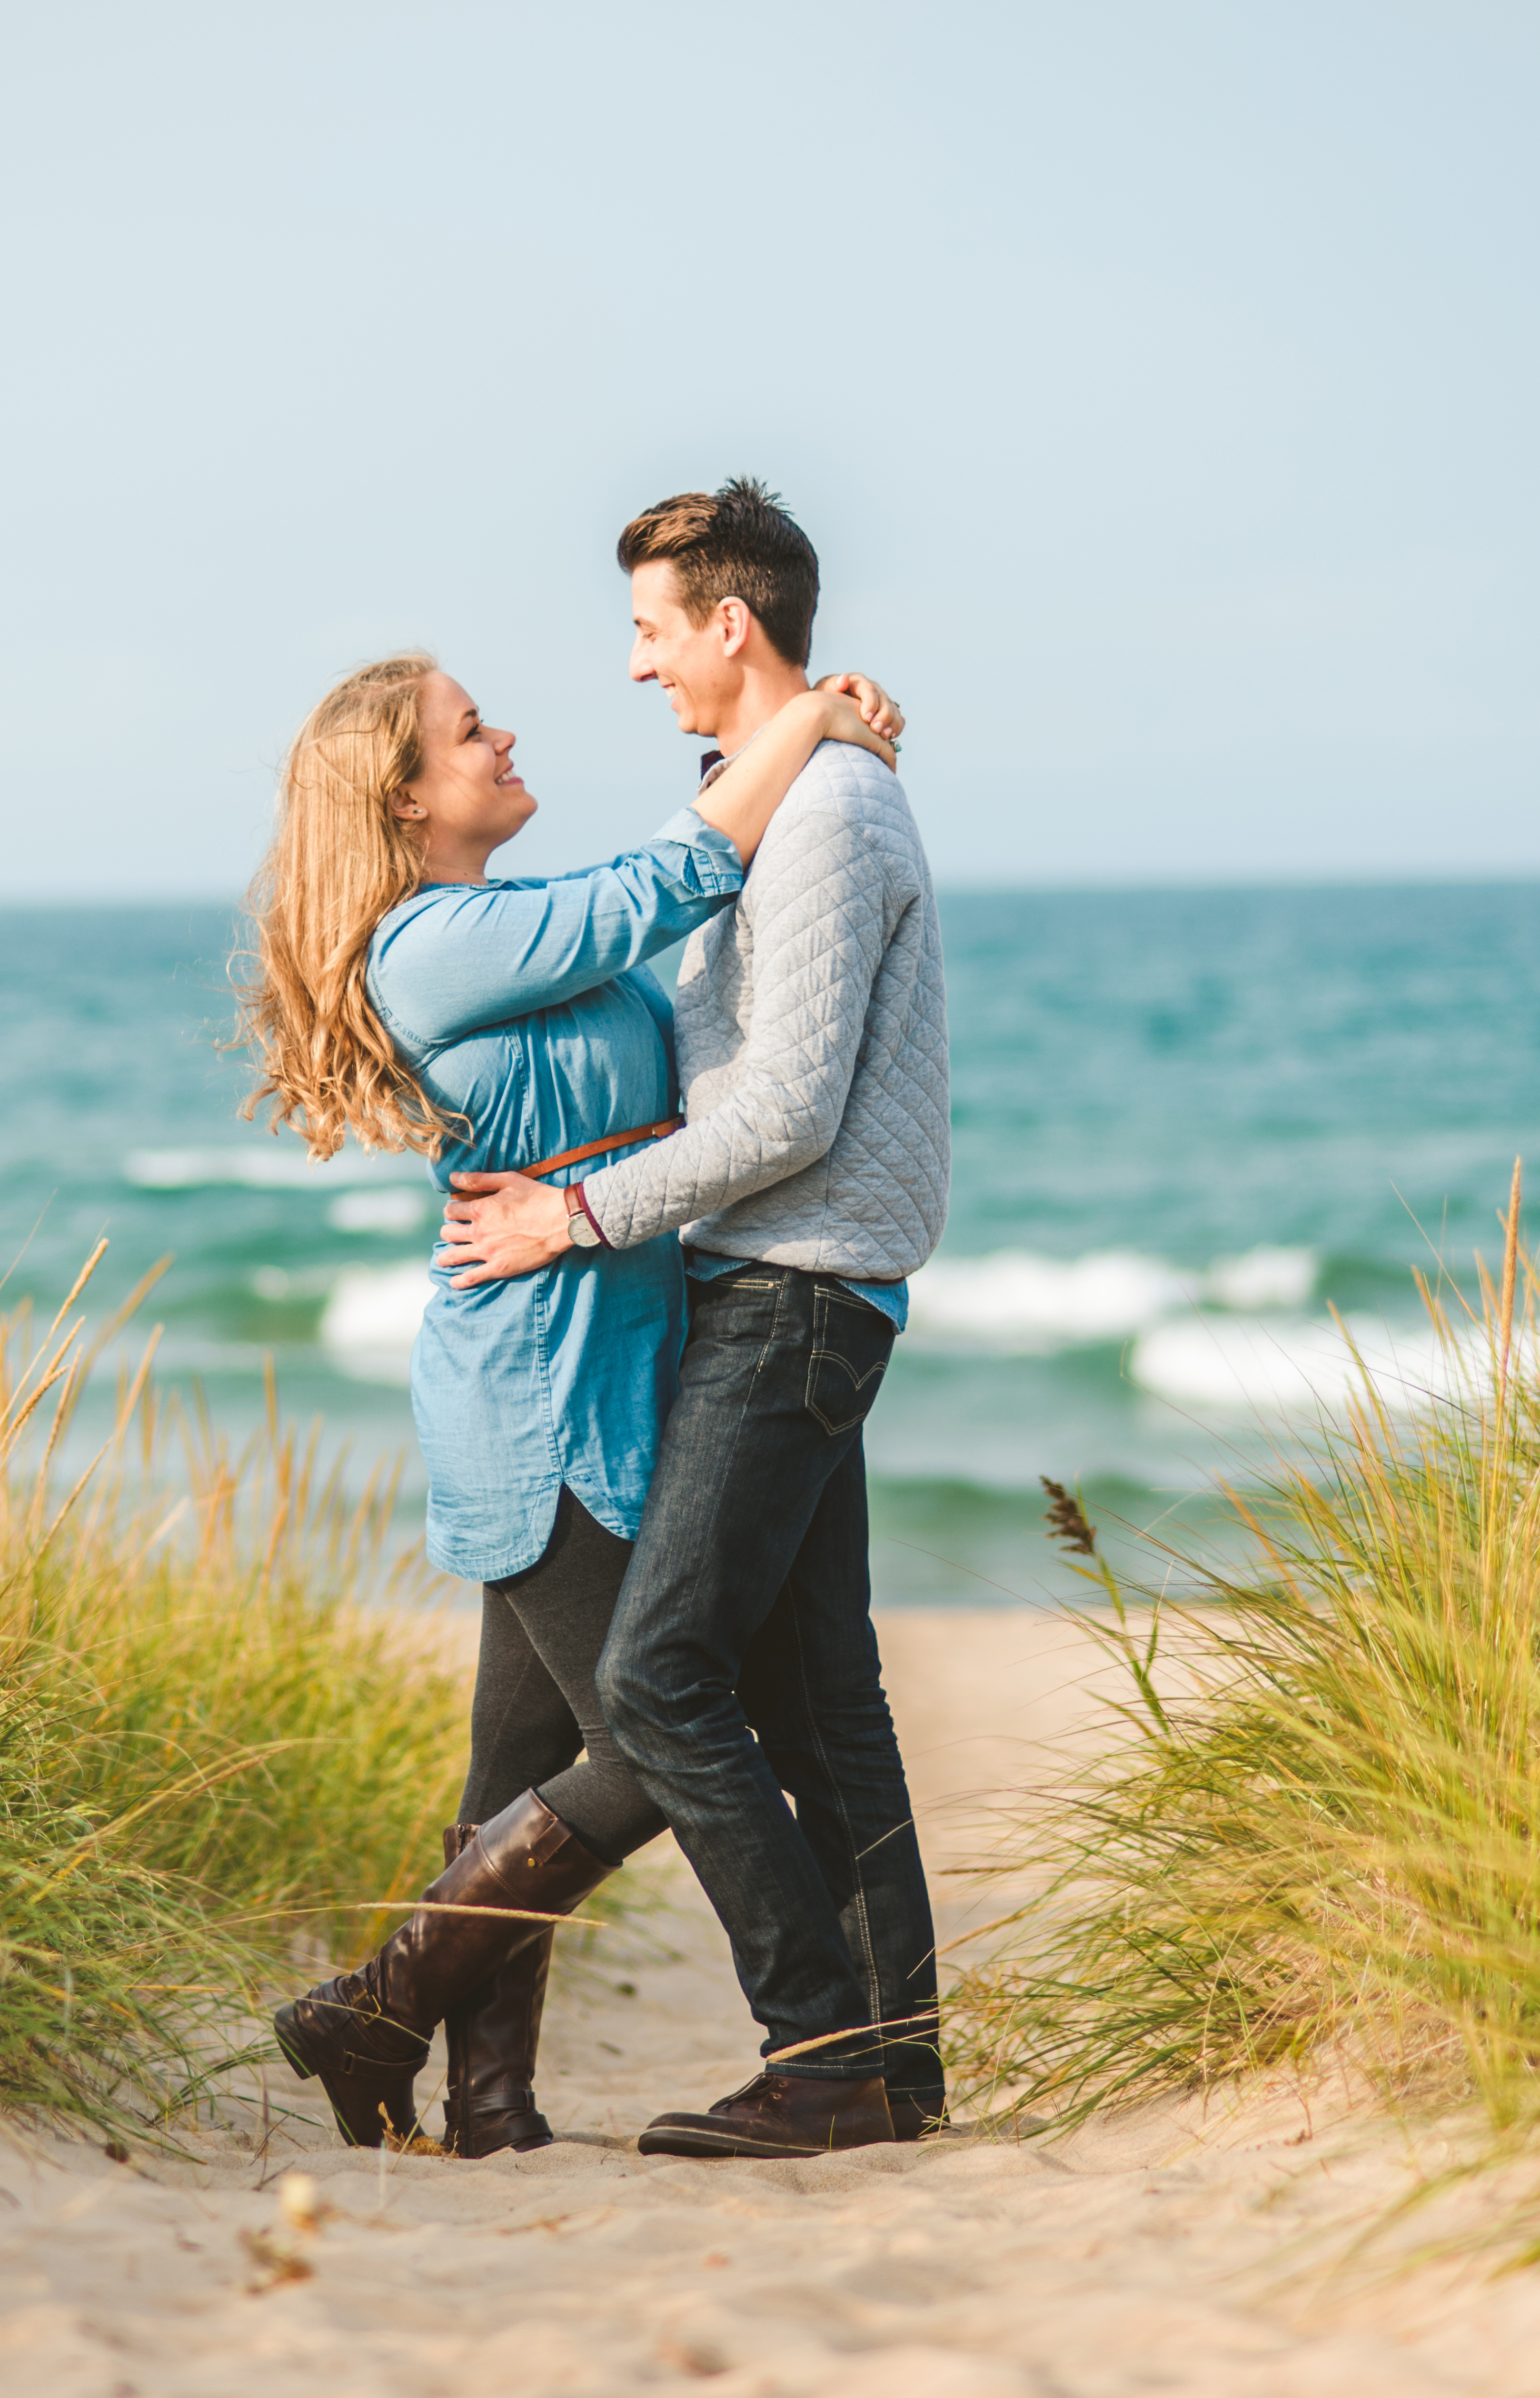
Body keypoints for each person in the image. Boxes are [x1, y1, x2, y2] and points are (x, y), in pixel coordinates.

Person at [239, 642, 902, 2155]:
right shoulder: (431, 946)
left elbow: (675, 914)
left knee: (516, 1769)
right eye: (471, 732)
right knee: (667, 1736)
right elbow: (666, 883)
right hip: (531, 1396)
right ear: (404, 799)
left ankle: (483, 2106)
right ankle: (402, 2008)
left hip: (614, 1371)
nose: (505, 736)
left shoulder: (509, 929)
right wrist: (808, 713)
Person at [440, 479, 953, 2159]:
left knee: (661, 1680)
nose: (642, 667)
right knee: (826, 1710)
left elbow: (789, 1112)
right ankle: (892, 2075)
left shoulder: (831, 815)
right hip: (773, 1285)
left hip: (789, 1292)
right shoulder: (773, 788)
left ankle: (818, 2055)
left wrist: (567, 1215)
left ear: (731, 624)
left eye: (656, 632)